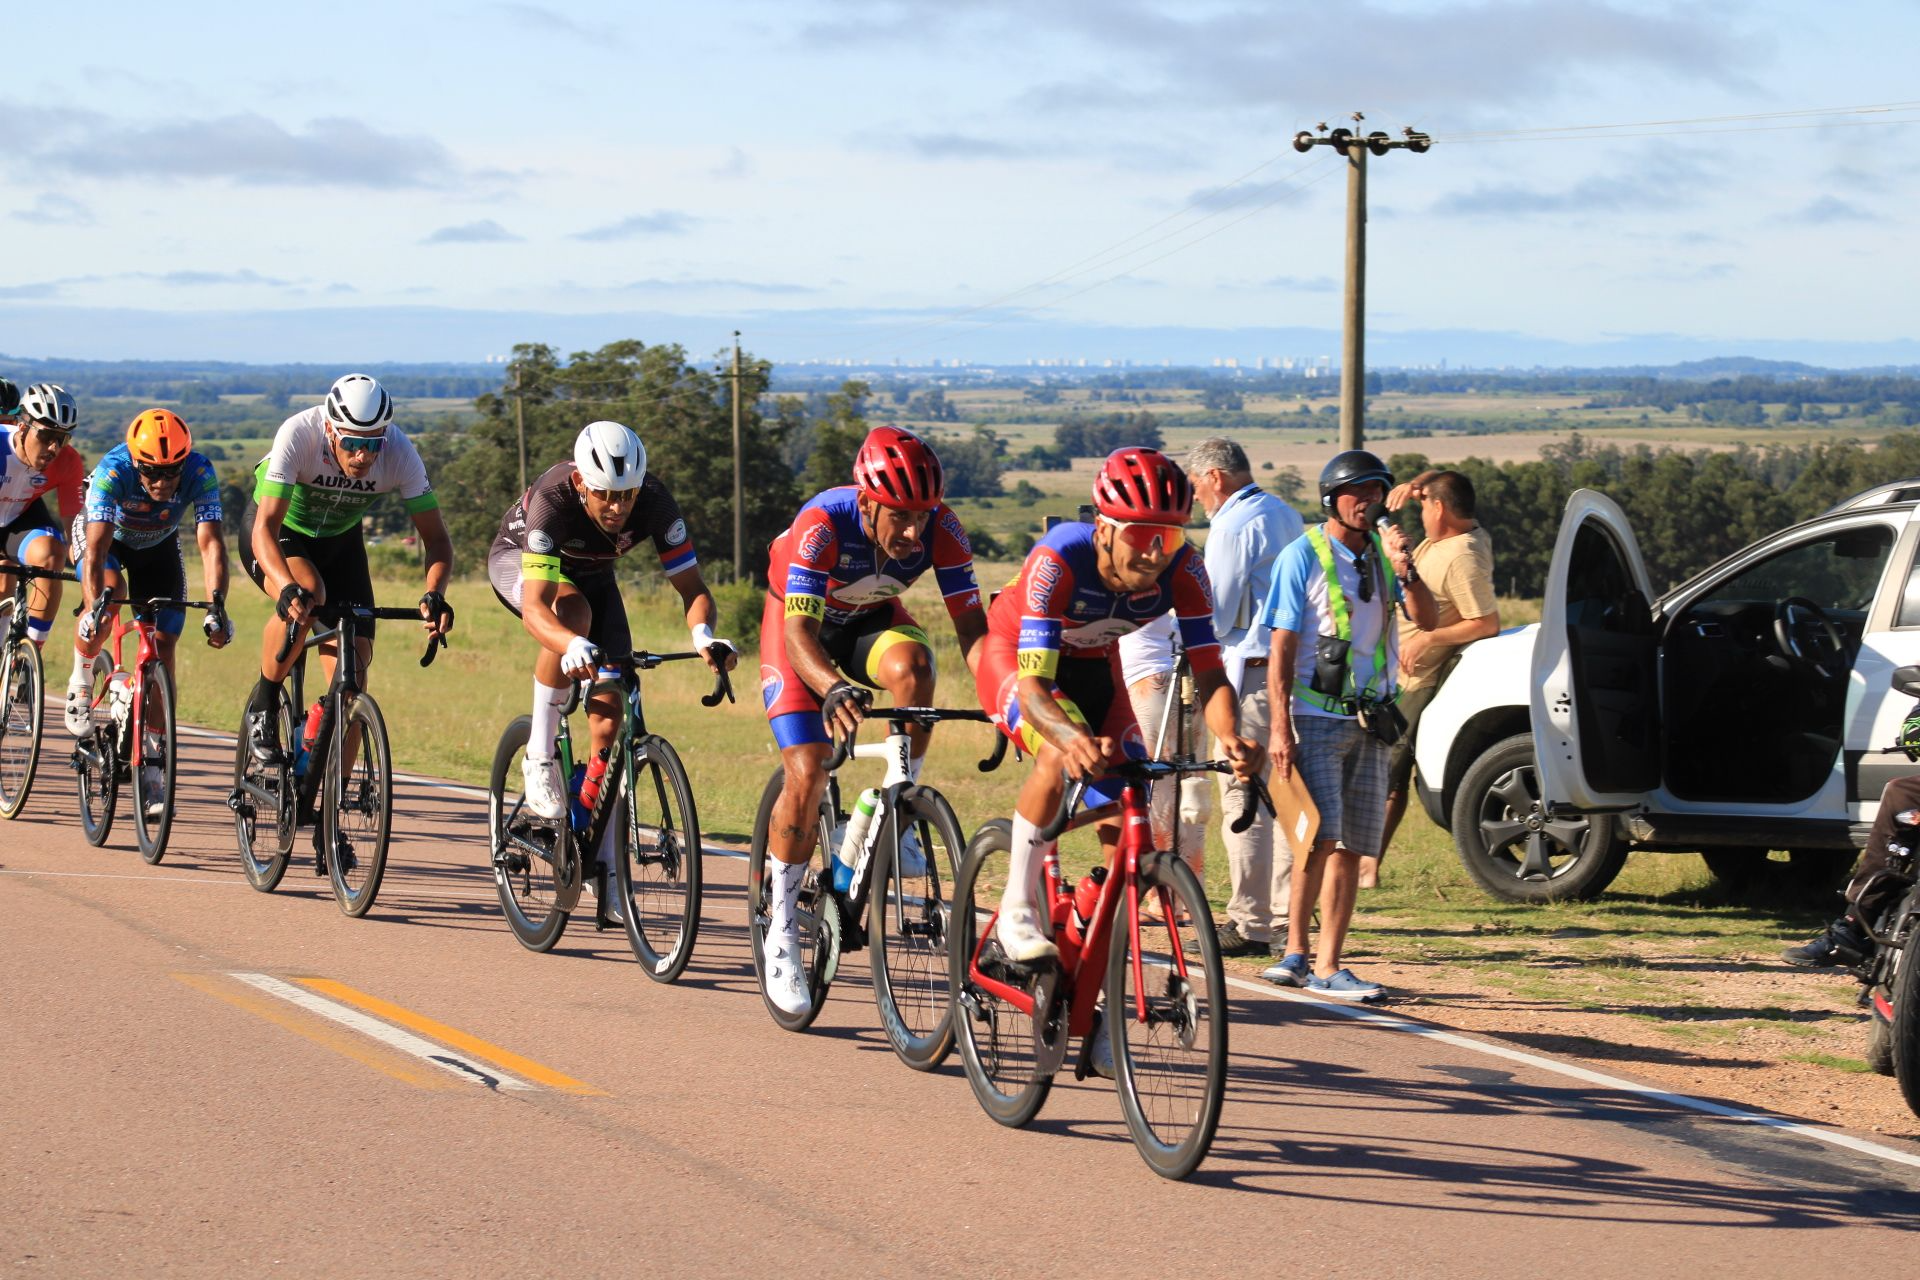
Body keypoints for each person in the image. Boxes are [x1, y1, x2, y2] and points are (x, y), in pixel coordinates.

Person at [979, 447, 1259, 977]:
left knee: (1129, 804)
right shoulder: (1058, 557)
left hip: (1096, 663)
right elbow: (1037, 688)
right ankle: (1016, 909)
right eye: (1139, 535)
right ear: (1104, 529)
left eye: (1169, 536)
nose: (1155, 553)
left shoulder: (1186, 569)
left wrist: (1231, 738)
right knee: (1058, 755)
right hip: (1019, 660)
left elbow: (1209, 672)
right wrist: (1069, 737)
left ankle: (1094, 973)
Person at [759, 426, 988, 1017]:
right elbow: (800, 634)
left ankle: (895, 810)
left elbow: (973, 630)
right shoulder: (822, 524)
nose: (914, 532)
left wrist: (1004, 696)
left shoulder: (943, 528)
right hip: (799, 631)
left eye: (923, 516)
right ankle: (782, 928)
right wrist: (833, 688)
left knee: (915, 668)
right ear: (866, 502)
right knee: (807, 769)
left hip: (869, 618)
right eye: (900, 518)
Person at [490, 420, 737, 920]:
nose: (618, 508)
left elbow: (692, 588)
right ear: (582, 483)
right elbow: (539, 610)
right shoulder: (553, 500)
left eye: (627, 495)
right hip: (524, 565)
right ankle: (539, 753)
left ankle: (602, 863)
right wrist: (570, 643)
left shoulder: (656, 503)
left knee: (609, 716)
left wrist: (703, 636)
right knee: (572, 615)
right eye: (605, 495)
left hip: (594, 575)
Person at [238, 374, 455, 869]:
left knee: (351, 679)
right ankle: (265, 698)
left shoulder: (399, 451)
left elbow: (438, 542)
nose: (363, 457)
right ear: (332, 431)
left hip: (341, 544)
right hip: (280, 540)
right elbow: (264, 529)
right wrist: (284, 585)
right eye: (352, 444)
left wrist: (434, 595)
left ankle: (328, 815)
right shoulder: (299, 433)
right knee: (308, 596)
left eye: (372, 445)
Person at [1258, 450, 1435, 1000]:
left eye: (1377, 491)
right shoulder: (1302, 556)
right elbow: (1281, 647)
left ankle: (1328, 963)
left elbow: (1427, 619)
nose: (1368, 502)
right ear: (1331, 498)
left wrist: (1405, 565)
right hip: (1315, 717)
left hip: (1373, 721)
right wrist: (1279, 725)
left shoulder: (1385, 557)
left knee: (1354, 846)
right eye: (1356, 492)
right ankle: (1295, 951)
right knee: (1320, 837)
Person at [63, 409, 232, 814]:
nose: (160, 482)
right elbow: (97, 549)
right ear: (135, 464)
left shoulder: (201, 472)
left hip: (158, 544)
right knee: (110, 595)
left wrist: (218, 605)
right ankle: (81, 675)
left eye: (170, 472)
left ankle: (154, 763)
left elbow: (210, 544)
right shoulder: (112, 471)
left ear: (184, 462)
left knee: (164, 643)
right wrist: (93, 606)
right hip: (108, 539)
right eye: (151, 473)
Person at [1188, 436, 1304, 957]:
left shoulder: (1232, 525)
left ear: (1214, 476)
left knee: (1245, 792)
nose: (1197, 498)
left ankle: (1251, 920)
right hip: (1292, 666)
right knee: (1285, 793)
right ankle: (1285, 917)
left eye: (1196, 485)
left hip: (1251, 672)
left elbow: (1216, 611)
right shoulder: (1285, 513)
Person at [1373, 468, 1499, 889]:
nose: (1419, 509)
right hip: (1395, 672)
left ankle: (1368, 867)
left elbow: (1486, 622)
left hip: (1419, 678)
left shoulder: (1462, 555)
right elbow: (1446, 478)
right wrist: (1415, 484)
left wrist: (1429, 639)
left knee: (1391, 768)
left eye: (1424, 503)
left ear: (1440, 507)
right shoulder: (1447, 538)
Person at [1118, 612, 1210, 878]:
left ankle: (1158, 890)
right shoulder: (1188, 569)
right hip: (1191, 674)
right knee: (1191, 785)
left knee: (1155, 786)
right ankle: (1187, 890)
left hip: (1147, 675)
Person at [0, 383, 85, 649]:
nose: (54, 447)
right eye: (47, 435)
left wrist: (91, 576)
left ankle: (29, 658)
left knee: (51, 554)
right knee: (3, 584)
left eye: (63, 438)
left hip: (18, 520)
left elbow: (76, 532)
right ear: (23, 427)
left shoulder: (68, 462)